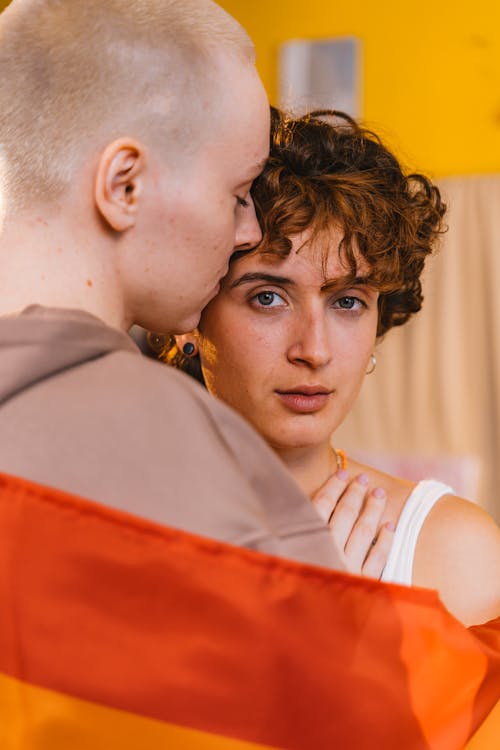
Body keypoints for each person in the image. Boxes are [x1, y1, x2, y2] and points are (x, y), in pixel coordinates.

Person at [0, 0, 349, 570]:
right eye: (238, 195)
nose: (249, 230)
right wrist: (336, 601)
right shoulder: (185, 453)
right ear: (124, 186)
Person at [166, 107, 500, 626]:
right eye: (269, 298)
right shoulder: (108, 521)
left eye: (347, 302)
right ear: (189, 312)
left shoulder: (454, 552)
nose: (315, 350)